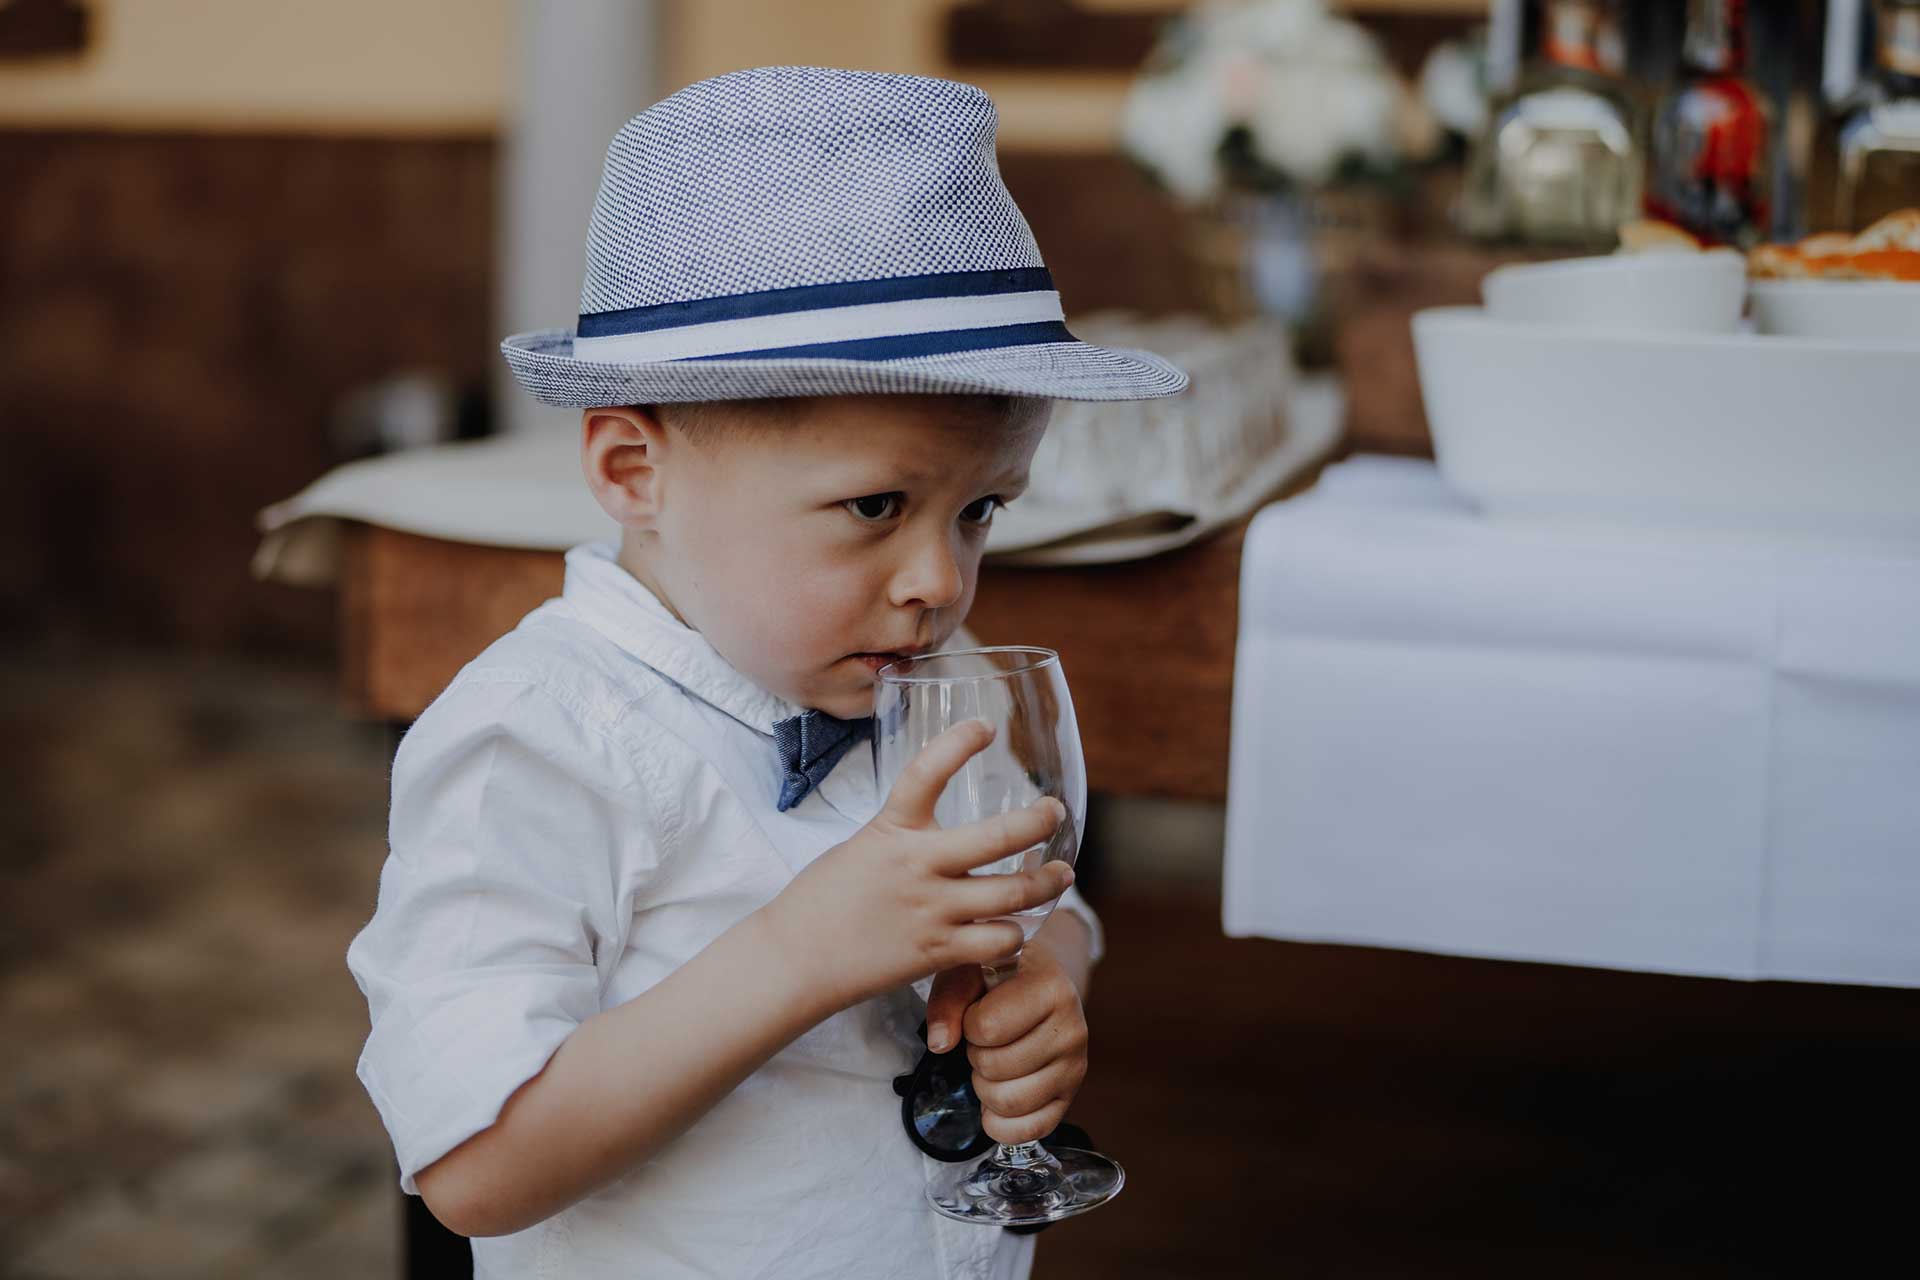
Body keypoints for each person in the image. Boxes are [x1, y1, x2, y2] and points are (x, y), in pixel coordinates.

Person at [347, 65, 1187, 1279]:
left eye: (980, 510)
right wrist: (800, 951)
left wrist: (1051, 976)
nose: (937, 580)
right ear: (636, 471)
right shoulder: (532, 738)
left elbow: (1038, 899)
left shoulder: (939, 678)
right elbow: (476, 1167)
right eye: (876, 504)